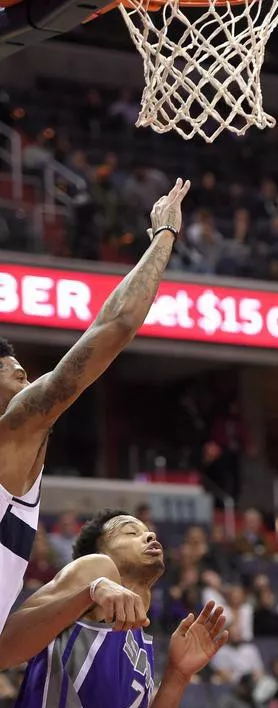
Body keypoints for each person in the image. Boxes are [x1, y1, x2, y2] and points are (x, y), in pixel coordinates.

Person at [0, 178, 190, 633]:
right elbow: (116, 325)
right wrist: (164, 236)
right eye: (12, 370)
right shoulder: (13, 431)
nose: (26, 374)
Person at [0, 509, 228, 708]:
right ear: (99, 550)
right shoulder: (97, 568)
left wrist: (177, 676)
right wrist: (91, 591)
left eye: (148, 530)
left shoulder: (142, 646)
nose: (149, 534)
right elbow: (4, 648)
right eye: (129, 532)